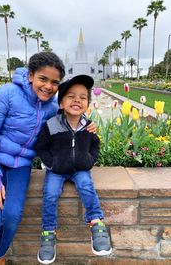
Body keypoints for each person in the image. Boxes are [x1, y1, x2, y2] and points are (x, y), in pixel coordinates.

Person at [0, 51, 95, 265]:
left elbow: (69, 120)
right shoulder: (7, 93)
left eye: (55, 82)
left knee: (11, 218)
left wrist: (88, 125)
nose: (48, 86)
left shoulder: (51, 108)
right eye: (43, 79)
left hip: (21, 167)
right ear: (30, 75)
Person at [34, 75, 112, 264]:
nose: (77, 100)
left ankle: (96, 223)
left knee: (86, 185)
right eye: (71, 96)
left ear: (87, 104)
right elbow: (41, 147)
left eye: (83, 97)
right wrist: (51, 163)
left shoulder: (88, 126)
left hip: (80, 169)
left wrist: (90, 160)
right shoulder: (51, 125)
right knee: (50, 193)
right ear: (61, 103)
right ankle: (48, 232)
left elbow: (95, 145)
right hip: (57, 170)